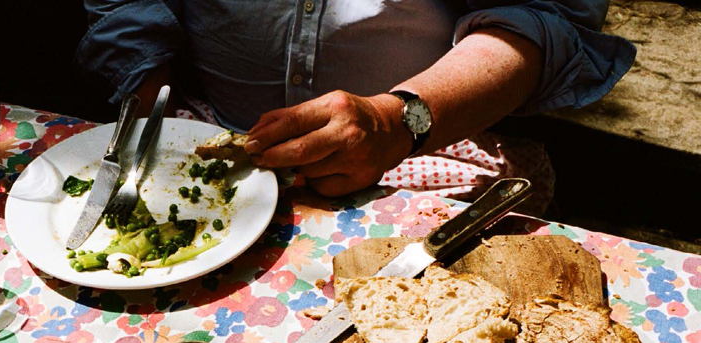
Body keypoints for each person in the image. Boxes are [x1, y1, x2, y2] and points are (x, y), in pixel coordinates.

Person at [76, 0, 635, 204]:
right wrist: (158, 118)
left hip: (416, 149)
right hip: (200, 138)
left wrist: (397, 122)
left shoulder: (407, 129)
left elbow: (543, 22)